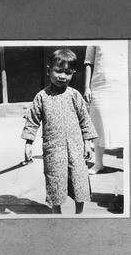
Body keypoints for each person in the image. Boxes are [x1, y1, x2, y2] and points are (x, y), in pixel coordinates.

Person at [21, 49, 97, 214]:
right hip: (54, 151)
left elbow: (85, 120)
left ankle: (79, 214)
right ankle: (58, 215)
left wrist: (87, 143)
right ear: (49, 70)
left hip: (76, 149)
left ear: (73, 73)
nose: (63, 76)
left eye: (68, 73)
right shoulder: (42, 97)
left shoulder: (74, 95)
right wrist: (28, 143)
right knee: (55, 182)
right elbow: (33, 121)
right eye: (58, 71)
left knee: (79, 182)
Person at [84, 43, 128, 175]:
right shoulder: (94, 38)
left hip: (123, 85)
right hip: (100, 85)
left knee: (125, 125)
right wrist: (87, 87)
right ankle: (98, 163)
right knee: (98, 124)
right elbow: (88, 62)